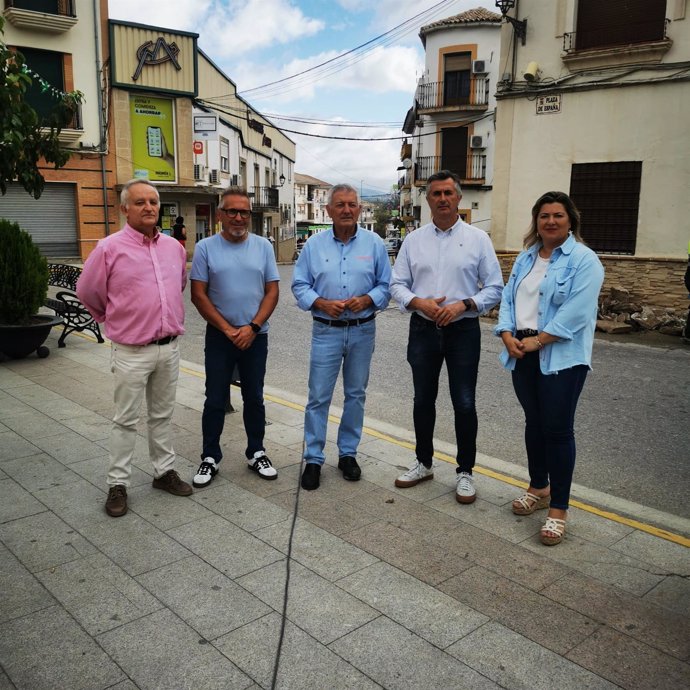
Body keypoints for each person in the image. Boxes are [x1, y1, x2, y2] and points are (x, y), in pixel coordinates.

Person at [76, 179, 192, 517]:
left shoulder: (174, 248)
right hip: (130, 351)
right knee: (125, 420)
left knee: (162, 415)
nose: (149, 208)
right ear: (124, 208)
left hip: (168, 348)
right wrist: (110, 318)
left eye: (153, 202)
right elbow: (88, 290)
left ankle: (163, 472)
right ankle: (118, 484)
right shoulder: (109, 248)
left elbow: (178, 285)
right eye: (140, 202)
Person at [495, 191, 604, 545]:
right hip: (521, 351)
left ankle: (559, 508)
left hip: (561, 357)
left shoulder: (585, 261)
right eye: (544, 216)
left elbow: (577, 312)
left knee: (557, 430)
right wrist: (507, 334)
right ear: (536, 221)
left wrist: (538, 340)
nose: (551, 221)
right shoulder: (527, 259)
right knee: (534, 424)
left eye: (558, 215)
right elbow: (509, 299)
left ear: (570, 220)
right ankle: (538, 486)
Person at [390, 170, 503, 504]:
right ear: (427, 200)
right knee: (423, 400)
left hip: (463, 331)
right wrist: (418, 301)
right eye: (435, 194)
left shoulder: (478, 240)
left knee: (464, 403)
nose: (442, 199)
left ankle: (465, 472)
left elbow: (495, 287)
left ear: (458, 198)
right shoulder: (413, 240)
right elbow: (396, 284)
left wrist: (464, 305)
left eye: (447, 193)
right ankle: (423, 463)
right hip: (423, 330)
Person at [292, 184, 391, 490]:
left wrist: (368, 299)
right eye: (340, 205)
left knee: (356, 395)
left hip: (363, 330)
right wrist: (320, 303)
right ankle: (313, 458)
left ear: (359, 209)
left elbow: (386, 286)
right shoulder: (313, 246)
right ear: (329, 210)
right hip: (326, 331)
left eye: (352, 204)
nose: (347, 210)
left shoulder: (374, 244)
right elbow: (299, 286)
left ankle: (348, 454)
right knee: (318, 397)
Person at [190, 186, 279, 487]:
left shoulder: (264, 246)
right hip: (220, 337)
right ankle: (210, 457)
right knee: (215, 397)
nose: (239, 217)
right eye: (232, 211)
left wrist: (252, 328)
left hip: (256, 336)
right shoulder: (205, 248)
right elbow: (198, 295)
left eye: (244, 212)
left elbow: (272, 291)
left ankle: (256, 452)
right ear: (220, 215)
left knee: (254, 396)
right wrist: (228, 330)